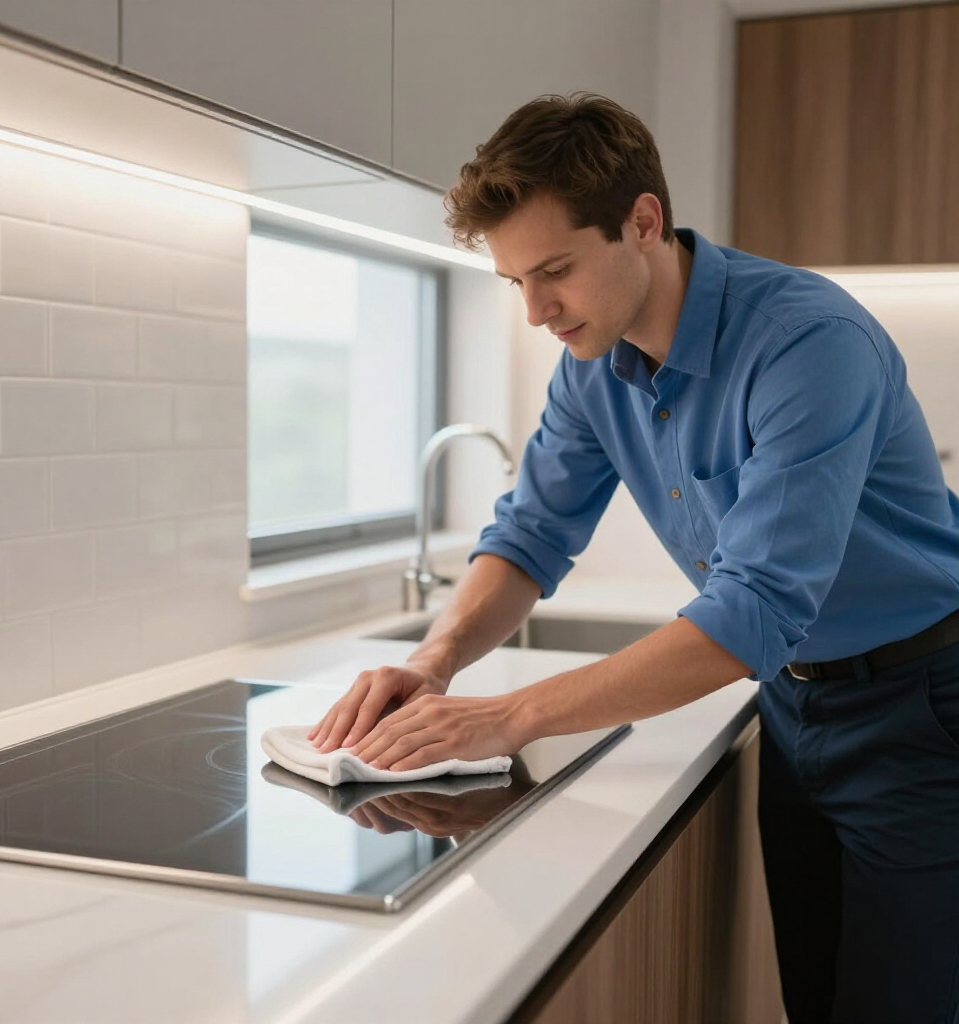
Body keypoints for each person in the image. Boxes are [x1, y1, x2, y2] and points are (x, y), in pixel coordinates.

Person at [308, 93, 959, 1024]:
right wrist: (432, 661)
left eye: (556, 271)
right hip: (794, 703)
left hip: (922, 704)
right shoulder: (591, 367)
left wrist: (509, 717)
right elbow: (530, 536)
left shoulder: (808, 343)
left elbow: (755, 612)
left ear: (642, 222)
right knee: (819, 998)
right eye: (514, 282)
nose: (536, 311)